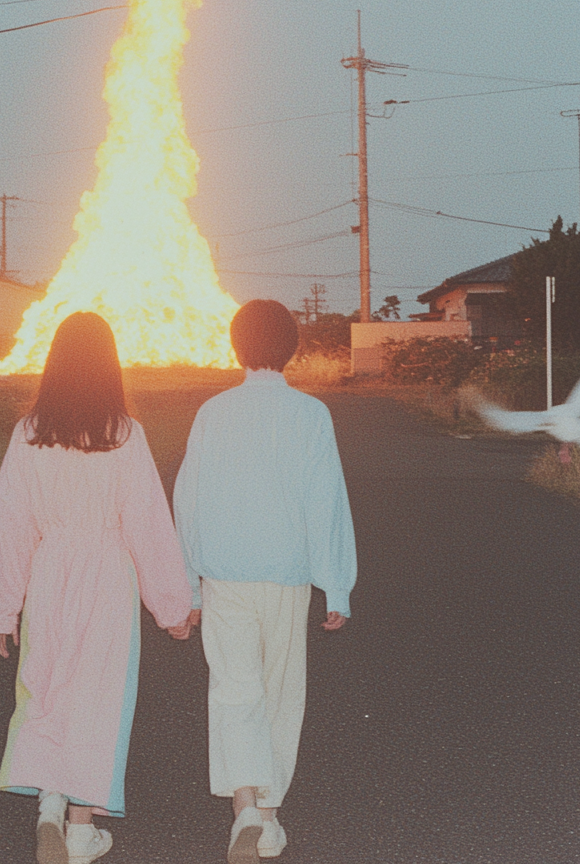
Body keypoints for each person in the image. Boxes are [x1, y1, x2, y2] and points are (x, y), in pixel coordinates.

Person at [0, 311, 196, 864]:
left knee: (45, 685)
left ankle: (49, 802)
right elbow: (147, 523)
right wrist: (173, 605)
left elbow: (9, 523)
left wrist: (3, 609)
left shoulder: (27, 434)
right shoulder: (125, 434)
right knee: (97, 697)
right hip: (107, 576)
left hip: (51, 571)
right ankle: (79, 828)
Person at [173, 299, 357, 864]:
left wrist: (185, 584)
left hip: (224, 572)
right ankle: (270, 818)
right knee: (280, 692)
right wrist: (337, 584)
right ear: (292, 347)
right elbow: (325, 502)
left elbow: (189, 500)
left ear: (237, 346)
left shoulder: (213, 411)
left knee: (234, 690)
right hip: (286, 575)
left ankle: (245, 809)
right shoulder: (310, 414)